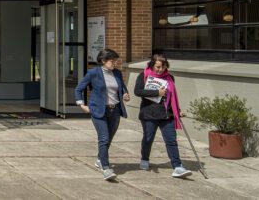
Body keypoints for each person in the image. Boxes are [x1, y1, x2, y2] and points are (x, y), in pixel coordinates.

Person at [75, 48, 131, 182]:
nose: (115, 64)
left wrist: (125, 94)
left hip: (115, 110)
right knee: (104, 138)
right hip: (99, 110)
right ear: (103, 60)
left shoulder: (117, 73)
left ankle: (100, 159)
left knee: (108, 139)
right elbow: (79, 89)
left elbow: (122, 88)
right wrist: (81, 105)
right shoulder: (93, 73)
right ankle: (106, 168)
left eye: (116, 61)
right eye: (112, 61)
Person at [134, 53, 191, 178]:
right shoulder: (143, 75)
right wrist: (157, 92)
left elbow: (172, 97)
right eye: (158, 67)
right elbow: (137, 91)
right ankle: (144, 158)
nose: (160, 70)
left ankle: (177, 166)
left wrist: (177, 110)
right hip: (149, 113)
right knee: (148, 139)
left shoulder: (170, 78)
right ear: (152, 65)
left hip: (167, 114)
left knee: (171, 140)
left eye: (163, 67)